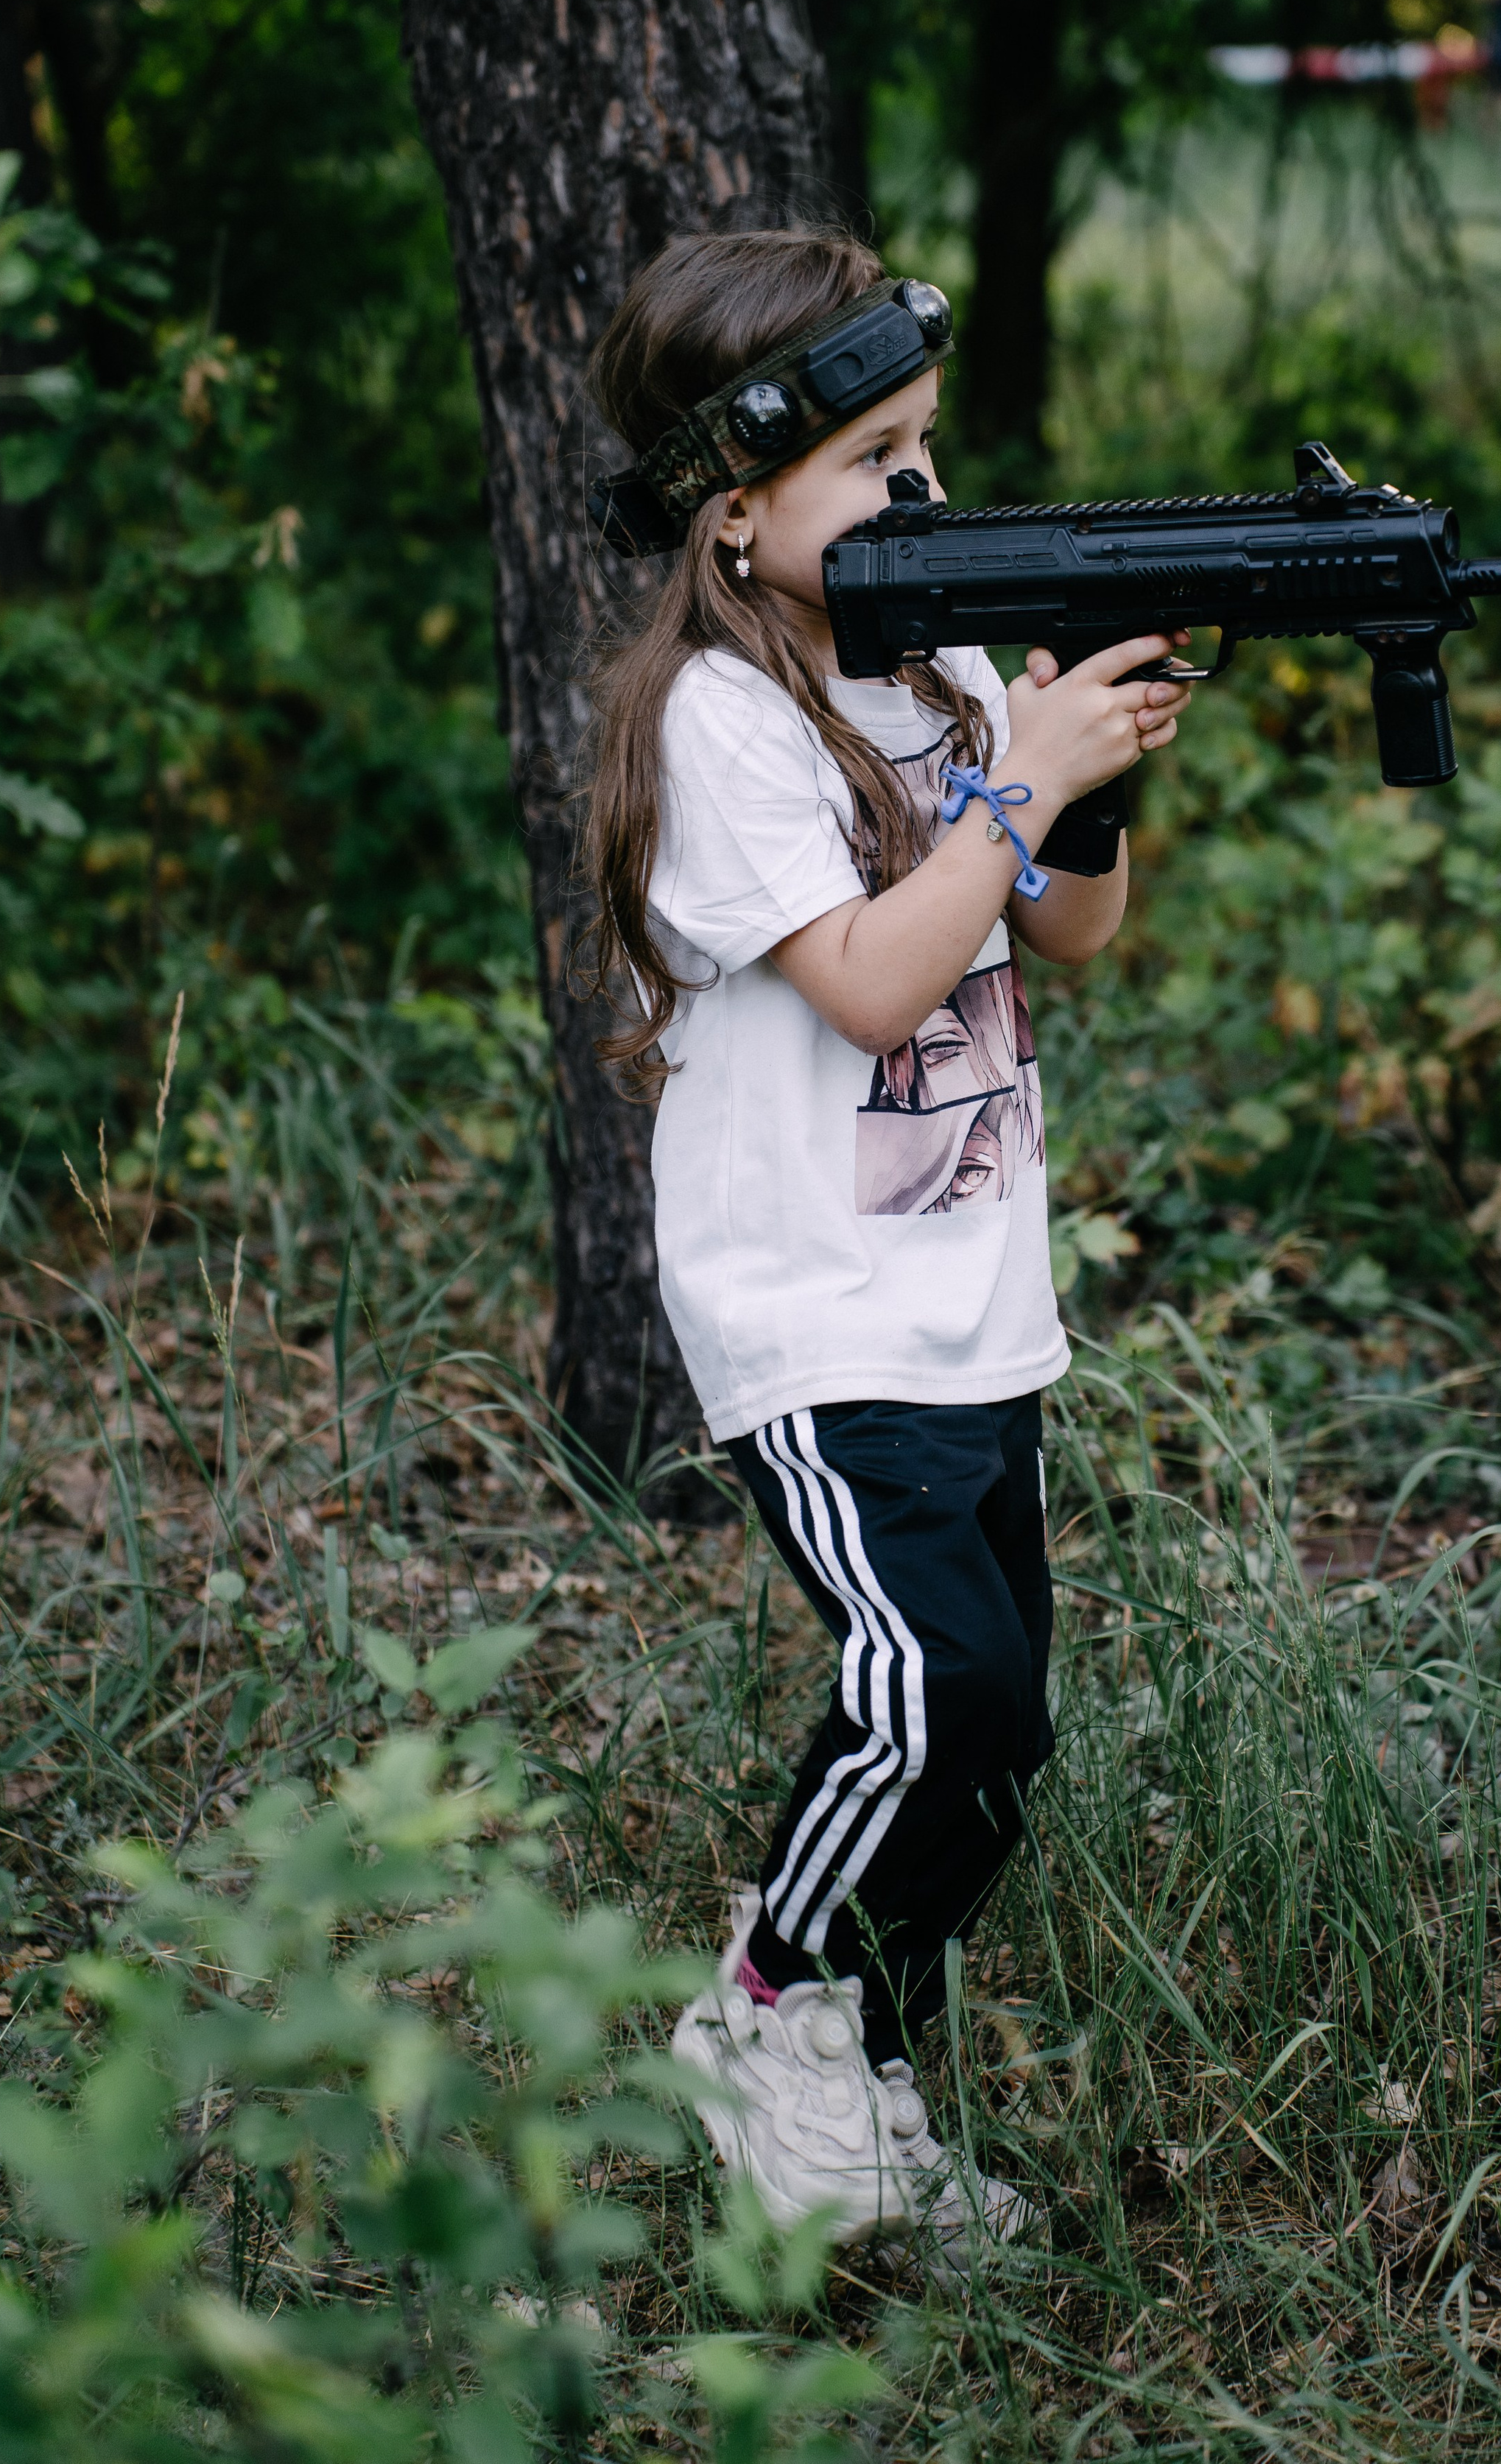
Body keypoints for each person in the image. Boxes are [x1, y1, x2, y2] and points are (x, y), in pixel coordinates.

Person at [582, 228, 1190, 2256]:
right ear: (735, 513)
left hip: (969, 1308)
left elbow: (1071, 938)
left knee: (997, 1739)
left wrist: (1077, 784)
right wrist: (1009, 794)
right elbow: (864, 978)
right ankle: (759, 2011)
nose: (925, 492)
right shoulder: (719, 728)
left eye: (929, 448)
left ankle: (854, 2088)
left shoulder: (930, 675)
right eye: (874, 462)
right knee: (932, 1697)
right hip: (821, 1319)